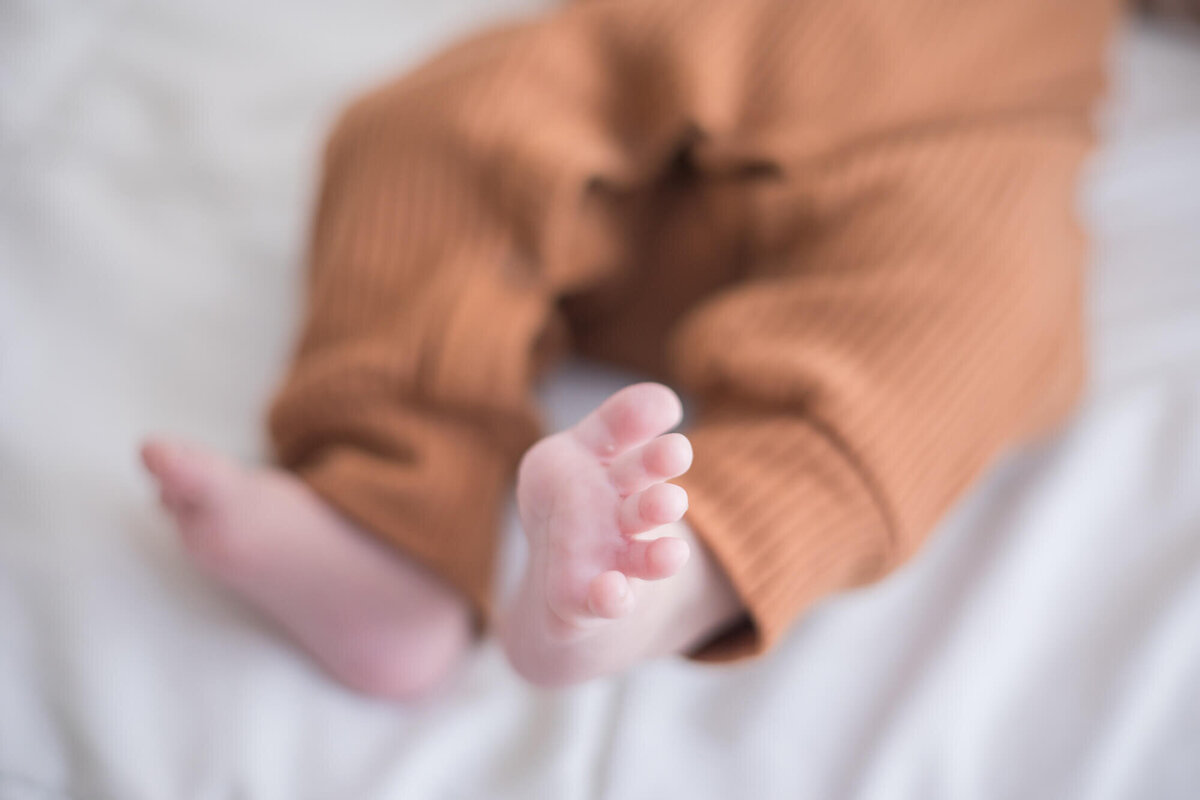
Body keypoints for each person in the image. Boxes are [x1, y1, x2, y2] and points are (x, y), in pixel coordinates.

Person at [141, 0, 1120, 699]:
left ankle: (655, 580)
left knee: (978, 317)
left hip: (952, 143)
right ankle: (394, 510)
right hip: (650, 78)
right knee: (444, 128)